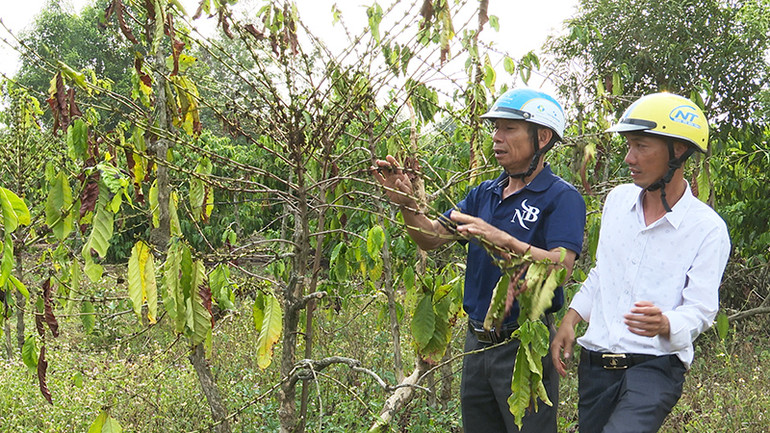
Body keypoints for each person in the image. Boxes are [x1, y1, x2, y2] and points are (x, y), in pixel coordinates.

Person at [372, 88, 586, 433]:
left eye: (508, 129)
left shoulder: (561, 197)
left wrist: (502, 238)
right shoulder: (483, 193)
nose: (496, 138)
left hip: (523, 346)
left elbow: (560, 268)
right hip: (476, 346)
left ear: (542, 137)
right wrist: (406, 204)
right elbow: (432, 237)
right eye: (495, 129)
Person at [550, 92, 731, 433]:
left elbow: (702, 309)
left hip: (655, 368)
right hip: (597, 367)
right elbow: (604, 271)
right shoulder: (617, 201)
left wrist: (665, 323)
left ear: (678, 150)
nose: (629, 158)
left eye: (641, 146)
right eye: (628, 146)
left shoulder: (707, 229)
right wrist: (571, 318)